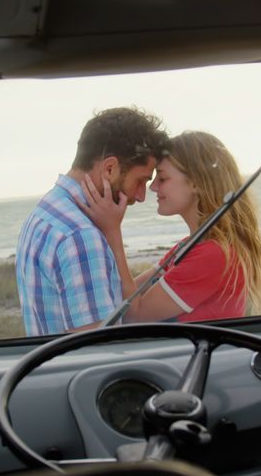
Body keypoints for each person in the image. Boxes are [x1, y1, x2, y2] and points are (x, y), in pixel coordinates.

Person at [78, 131, 261, 323]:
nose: (153, 187)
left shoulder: (214, 255)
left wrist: (112, 231)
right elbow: (129, 293)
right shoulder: (189, 246)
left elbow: (134, 314)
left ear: (196, 183)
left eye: (162, 178)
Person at [16, 106, 169, 336]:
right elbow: (99, 352)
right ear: (110, 168)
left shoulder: (45, 212)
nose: (140, 196)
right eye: (141, 181)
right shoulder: (80, 237)